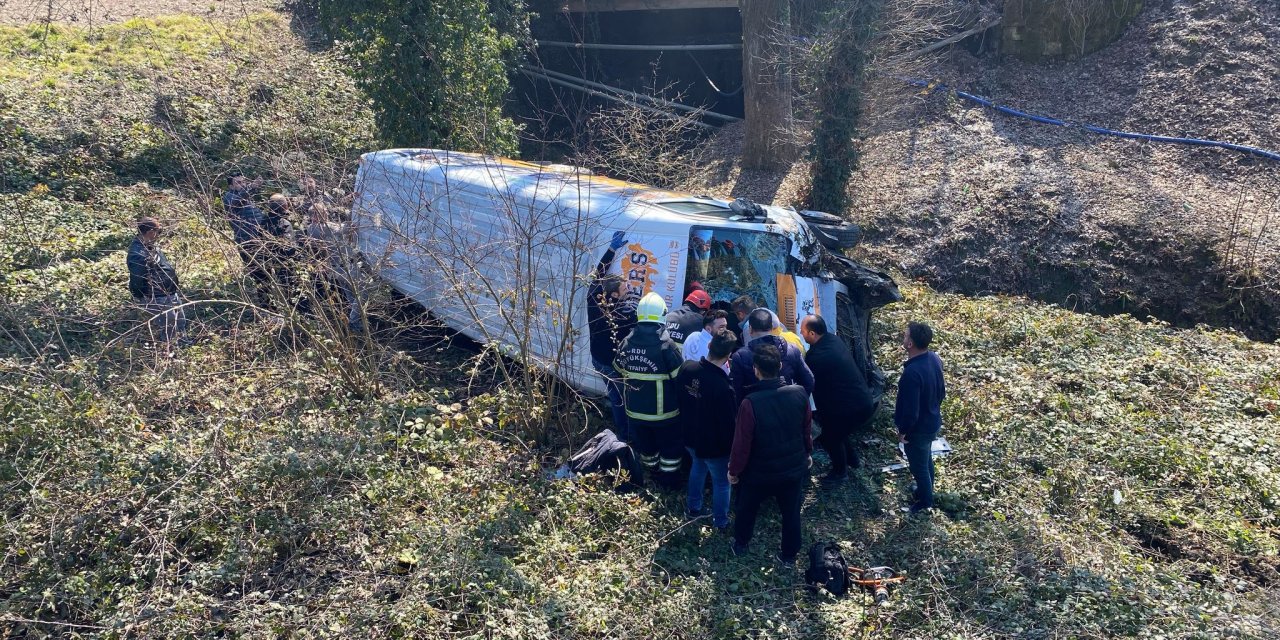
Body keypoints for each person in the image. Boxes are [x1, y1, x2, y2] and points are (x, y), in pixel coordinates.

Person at [728, 343, 813, 563]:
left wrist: (734, 471)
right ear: (781, 366)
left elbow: (741, 444)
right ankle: (789, 555)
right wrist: (808, 453)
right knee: (791, 512)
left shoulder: (750, 403)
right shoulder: (799, 393)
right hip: (793, 468)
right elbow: (806, 429)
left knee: (747, 508)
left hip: (759, 472)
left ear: (756, 370)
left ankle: (741, 543)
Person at [614, 292, 685, 489]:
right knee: (670, 450)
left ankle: (651, 476)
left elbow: (618, 370)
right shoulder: (666, 345)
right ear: (662, 314)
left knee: (647, 449)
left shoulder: (626, 342)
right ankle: (669, 485)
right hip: (665, 415)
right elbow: (680, 377)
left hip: (635, 412)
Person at [801, 315, 875, 486]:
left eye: (803, 331)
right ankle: (853, 461)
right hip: (862, 400)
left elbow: (805, 381)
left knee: (830, 437)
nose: (801, 334)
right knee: (839, 432)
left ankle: (840, 472)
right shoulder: (833, 340)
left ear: (812, 334)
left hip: (850, 407)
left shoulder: (816, 357)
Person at [677, 330, 739, 530]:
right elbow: (729, 424)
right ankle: (721, 521)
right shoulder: (723, 387)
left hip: (690, 435)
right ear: (728, 356)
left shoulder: (687, 368)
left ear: (709, 346)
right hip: (714, 445)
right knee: (721, 482)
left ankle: (693, 507)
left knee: (698, 467)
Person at [588, 232, 637, 435]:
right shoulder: (623, 315)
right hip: (610, 363)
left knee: (615, 397)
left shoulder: (593, 299)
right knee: (620, 400)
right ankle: (626, 436)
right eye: (625, 287)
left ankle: (625, 433)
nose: (629, 287)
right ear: (615, 294)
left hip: (597, 359)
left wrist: (611, 250)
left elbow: (598, 274)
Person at [894, 322, 946, 514]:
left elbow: (910, 411)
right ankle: (927, 490)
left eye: (906, 335)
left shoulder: (911, 373)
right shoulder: (933, 358)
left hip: (918, 429)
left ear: (910, 344)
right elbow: (942, 390)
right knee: (925, 459)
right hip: (932, 421)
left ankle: (925, 502)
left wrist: (903, 431)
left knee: (919, 467)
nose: (903, 337)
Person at [303, 199, 363, 332]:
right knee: (362, 296)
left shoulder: (310, 228)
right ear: (316, 215)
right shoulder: (323, 228)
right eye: (323, 212)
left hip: (334, 267)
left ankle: (355, 321)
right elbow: (347, 228)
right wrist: (354, 205)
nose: (327, 213)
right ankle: (353, 322)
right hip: (345, 267)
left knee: (351, 295)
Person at [730, 308, 814, 402]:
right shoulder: (792, 350)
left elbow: (736, 391)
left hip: (757, 410)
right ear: (771, 327)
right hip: (787, 407)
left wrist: (746, 409)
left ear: (750, 329)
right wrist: (798, 403)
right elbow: (808, 380)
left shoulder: (741, 357)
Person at [126, 217, 187, 344]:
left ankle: (183, 345)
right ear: (150, 232)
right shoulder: (137, 253)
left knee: (180, 323)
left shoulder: (150, 246)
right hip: (157, 297)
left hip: (169, 294)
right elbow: (137, 279)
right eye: (158, 231)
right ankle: (170, 354)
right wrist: (145, 298)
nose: (159, 235)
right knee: (169, 328)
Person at [223, 172, 267, 280]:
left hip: (259, 238)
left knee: (267, 270)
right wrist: (251, 187)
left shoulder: (248, 198)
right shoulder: (229, 197)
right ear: (231, 186)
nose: (242, 184)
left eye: (244, 182)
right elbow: (236, 202)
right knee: (258, 275)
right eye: (238, 183)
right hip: (246, 240)